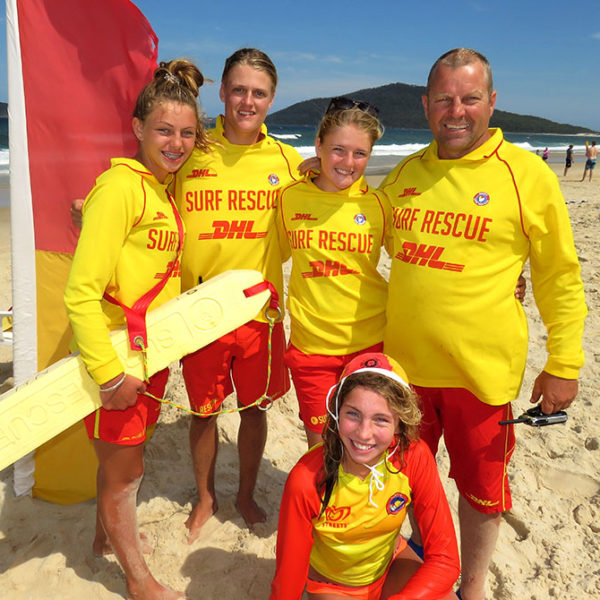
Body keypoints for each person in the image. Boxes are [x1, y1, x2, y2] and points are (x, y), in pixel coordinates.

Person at [379, 48, 586, 600]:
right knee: (407, 484)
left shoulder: (526, 174)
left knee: (480, 493)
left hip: (481, 376)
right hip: (406, 373)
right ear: (425, 104)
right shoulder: (403, 174)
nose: (456, 111)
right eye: (444, 99)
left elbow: (559, 276)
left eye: (470, 98)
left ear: (491, 102)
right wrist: (315, 172)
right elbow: (360, 227)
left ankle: (471, 589)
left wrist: (564, 363)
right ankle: (428, 566)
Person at [64, 60, 210, 599]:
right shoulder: (121, 187)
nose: (176, 143)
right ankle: (139, 580)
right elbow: (80, 293)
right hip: (116, 358)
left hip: (146, 355)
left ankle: (104, 540)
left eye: (187, 133)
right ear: (137, 129)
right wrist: (108, 375)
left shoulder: (161, 188)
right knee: (127, 475)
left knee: (117, 464)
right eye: (164, 130)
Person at [176, 48, 303, 541]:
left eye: (259, 93)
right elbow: (143, 194)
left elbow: (327, 211)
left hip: (259, 313)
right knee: (203, 411)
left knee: (255, 409)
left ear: (272, 99)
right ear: (223, 92)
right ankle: (206, 497)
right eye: (239, 90)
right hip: (200, 312)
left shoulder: (288, 162)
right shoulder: (192, 150)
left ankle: (245, 494)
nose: (248, 101)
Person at [270, 352, 460, 599]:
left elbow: (446, 560)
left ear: (400, 423)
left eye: (380, 419)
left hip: (390, 567)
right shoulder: (307, 479)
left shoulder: (413, 457)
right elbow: (287, 582)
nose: (363, 433)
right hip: (333, 586)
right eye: (353, 414)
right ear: (337, 411)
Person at [278, 97, 391, 449]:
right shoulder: (288, 197)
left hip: (369, 344)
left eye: (360, 153)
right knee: (323, 450)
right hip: (311, 349)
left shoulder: (380, 205)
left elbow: (415, 261)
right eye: (338, 150)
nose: (348, 162)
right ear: (318, 146)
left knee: (364, 446)